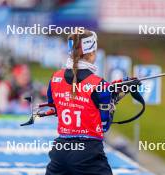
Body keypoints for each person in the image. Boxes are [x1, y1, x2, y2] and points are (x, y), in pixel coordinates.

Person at [45, 30, 114, 175]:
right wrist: (113, 98)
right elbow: (105, 124)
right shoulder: (100, 84)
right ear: (91, 53)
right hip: (89, 153)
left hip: (60, 151)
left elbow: (54, 106)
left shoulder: (55, 77)